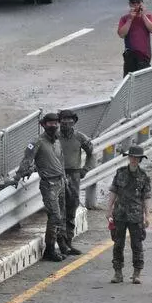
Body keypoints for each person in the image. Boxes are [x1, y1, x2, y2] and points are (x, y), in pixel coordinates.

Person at [18, 113, 68, 262]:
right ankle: (50, 249)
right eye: (50, 123)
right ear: (43, 125)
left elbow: (61, 161)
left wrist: (65, 179)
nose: (53, 126)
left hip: (60, 182)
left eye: (55, 123)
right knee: (55, 216)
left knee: (61, 216)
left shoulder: (57, 141)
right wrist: (19, 174)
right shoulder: (37, 142)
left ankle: (62, 245)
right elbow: (27, 159)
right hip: (48, 184)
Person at [108, 145, 152, 285]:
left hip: (136, 215)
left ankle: (137, 272)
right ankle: (118, 272)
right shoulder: (120, 172)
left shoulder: (144, 176)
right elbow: (114, 191)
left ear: (140, 160)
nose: (134, 160)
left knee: (137, 244)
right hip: (120, 214)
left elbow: (146, 197)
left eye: (137, 158)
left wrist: (147, 215)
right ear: (129, 158)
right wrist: (109, 209)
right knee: (118, 244)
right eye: (132, 157)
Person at [57, 109, 95, 257]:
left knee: (71, 207)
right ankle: (59, 243)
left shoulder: (80, 137)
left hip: (74, 175)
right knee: (58, 210)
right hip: (58, 175)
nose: (66, 122)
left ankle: (68, 242)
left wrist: (85, 169)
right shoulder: (54, 136)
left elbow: (92, 154)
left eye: (69, 120)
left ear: (74, 121)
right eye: (63, 119)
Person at [118, 0, 152, 76]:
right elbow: (121, 34)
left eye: (138, 2)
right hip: (130, 55)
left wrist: (143, 15)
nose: (136, 5)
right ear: (130, 4)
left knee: (143, 79)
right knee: (129, 80)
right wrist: (130, 19)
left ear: (142, 3)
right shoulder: (124, 18)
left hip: (144, 55)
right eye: (133, 3)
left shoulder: (148, 16)